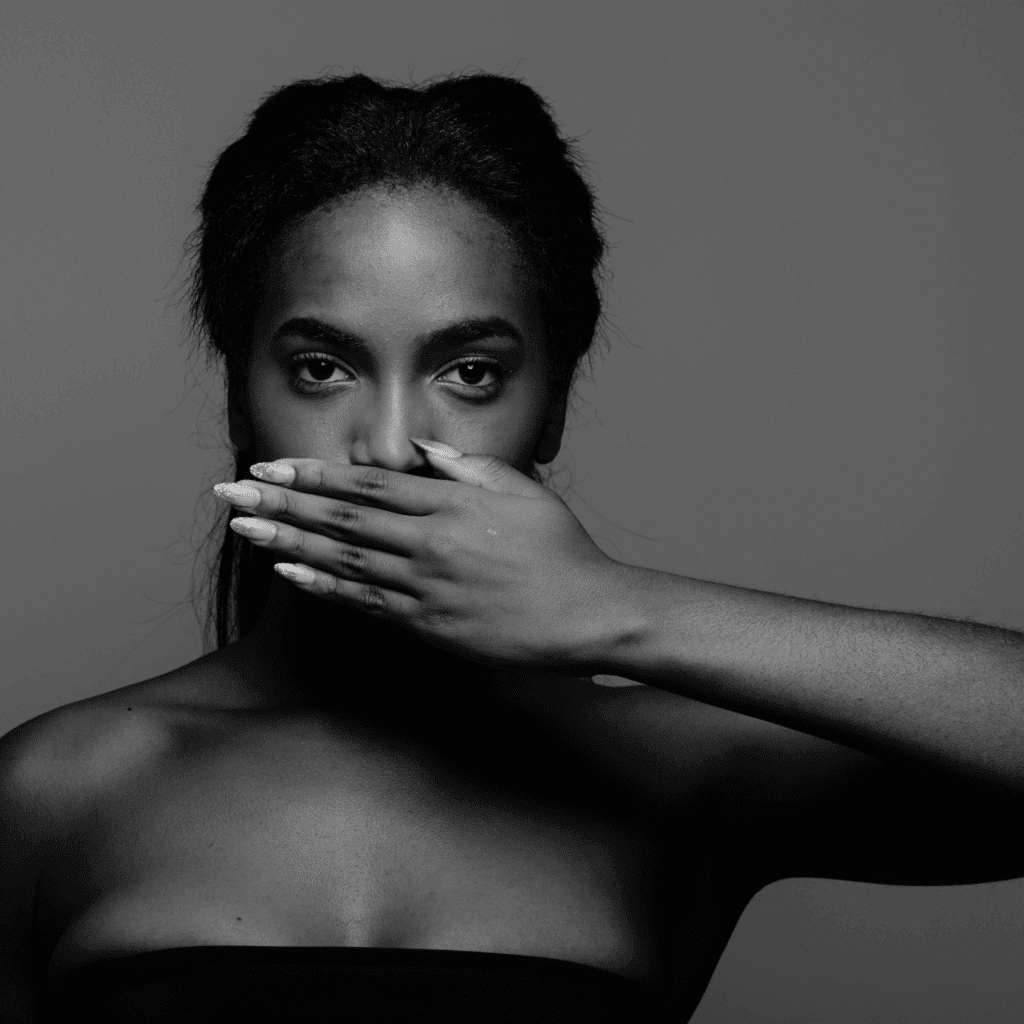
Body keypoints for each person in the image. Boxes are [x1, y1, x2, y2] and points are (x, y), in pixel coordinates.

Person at [2, 71, 1022, 1023]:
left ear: (555, 407)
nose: (390, 445)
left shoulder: (673, 774)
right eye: (320, 366)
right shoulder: (59, 789)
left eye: (471, 373)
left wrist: (621, 609)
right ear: (237, 388)